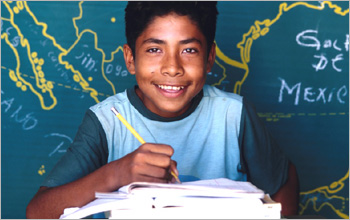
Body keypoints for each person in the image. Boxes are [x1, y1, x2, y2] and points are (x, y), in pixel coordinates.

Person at [26, 2, 299, 219]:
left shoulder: (234, 114)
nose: (172, 67)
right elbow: (37, 213)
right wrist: (116, 174)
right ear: (131, 59)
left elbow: (283, 180)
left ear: (210, 58)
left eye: (189, 50)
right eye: (155, 49)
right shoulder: (106, 121)